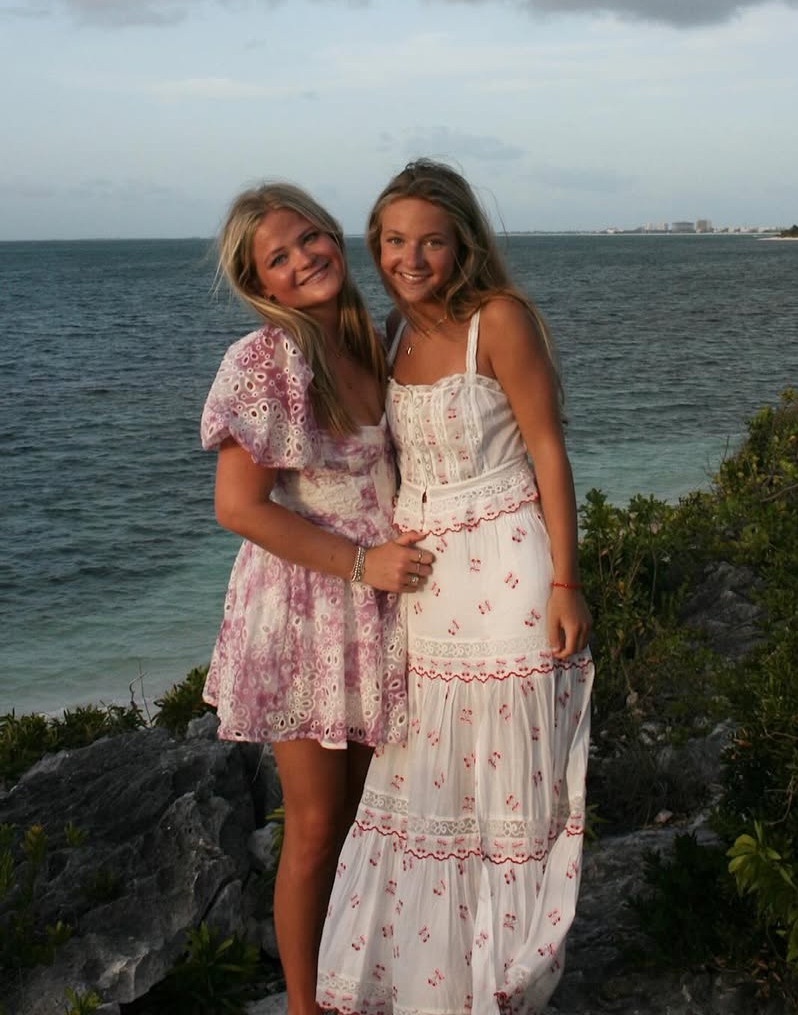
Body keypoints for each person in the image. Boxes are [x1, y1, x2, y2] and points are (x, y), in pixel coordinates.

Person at [318, 160, 593, 1015]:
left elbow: (549, 451)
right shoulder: (392, 332)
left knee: (505, 783)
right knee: (431, 781)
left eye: (430, 242)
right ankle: (434, 985)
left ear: (462, 243)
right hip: (426, 590)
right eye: (394, 241)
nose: (411, 258)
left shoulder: (499, 320)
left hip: (507, 570)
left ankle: (499, 983)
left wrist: (567, 582)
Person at [199, 183, 433, 1015]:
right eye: (279, 257)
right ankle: (305, 1006)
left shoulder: (371, 340)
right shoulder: (267, 361)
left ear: (334, 235)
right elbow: (238, 507)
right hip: (305, 615)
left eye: (309, 238)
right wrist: (364, 563)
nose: (302, 260)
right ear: (258, 282)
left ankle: (357, 983)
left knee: (369, 819)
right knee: (315, 827)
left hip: (375, 611)